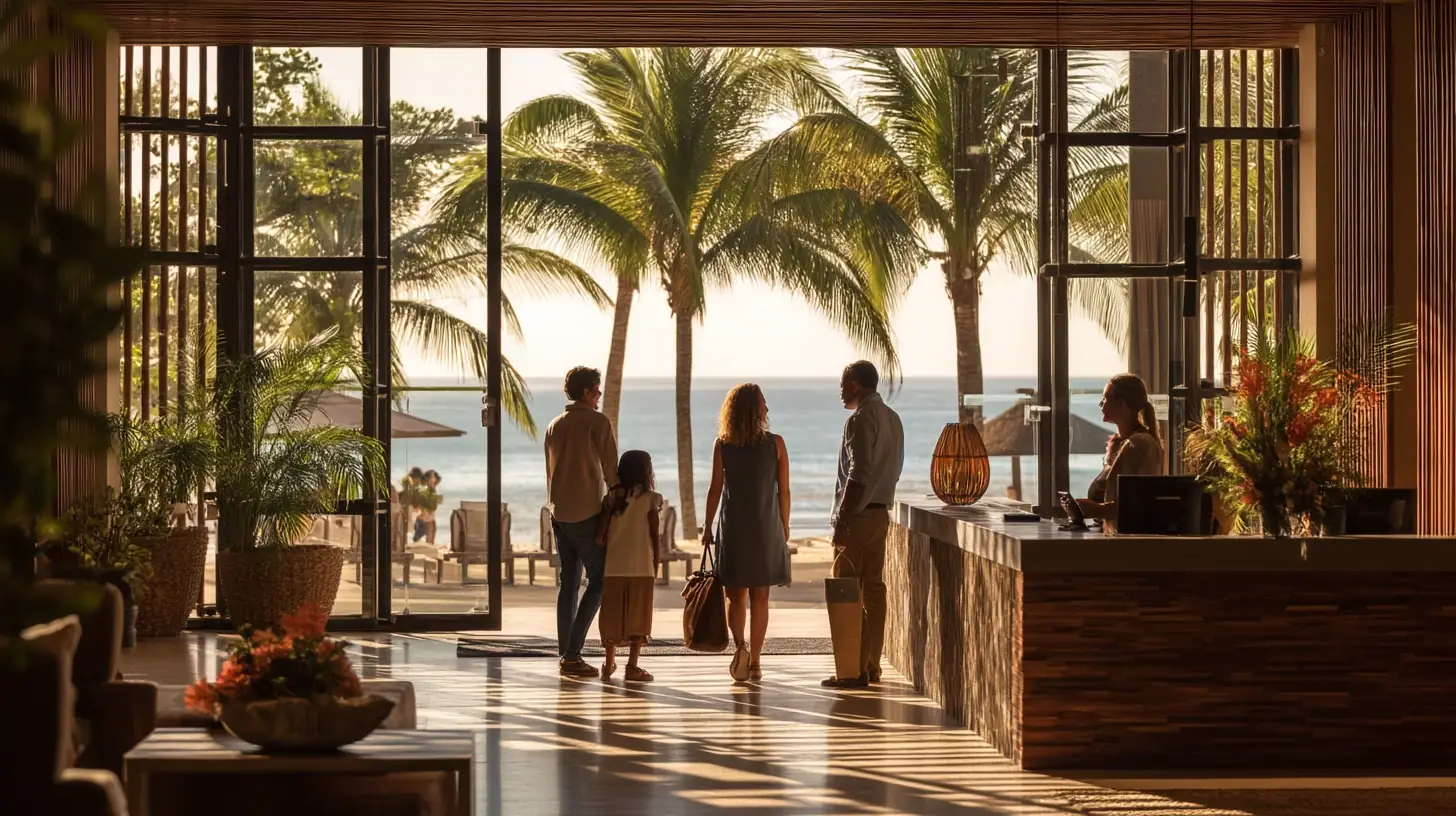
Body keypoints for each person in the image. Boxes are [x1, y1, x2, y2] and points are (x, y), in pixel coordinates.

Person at [701, 383, 792, 683]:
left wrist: (707, 526)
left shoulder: (723, 445)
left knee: (735, 595)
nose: (767, 408)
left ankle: (740, 647)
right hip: (766, 526)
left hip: (735, 526)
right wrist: (785, 525)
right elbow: (784, 492)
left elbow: (715, 490)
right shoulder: (776, 444)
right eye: (764, 403)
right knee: (761, 597)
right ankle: (755, 661)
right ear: (754, 410)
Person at [823, 361, 904, 690]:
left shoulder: (858, 421)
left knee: (847, 592)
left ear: (855, 384)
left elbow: (859, 473)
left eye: (843, 383)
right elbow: (891, 469)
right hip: (880, 513)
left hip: (857, 517)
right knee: (873, 591)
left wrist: (843, 518)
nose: (841, 390)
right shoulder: (893, 419)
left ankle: (851, 669)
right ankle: (871, 665)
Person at [545, 366, 620, 678]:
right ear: (588, 392)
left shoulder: (554, 425)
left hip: (558, 513)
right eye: (597, 390)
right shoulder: (597, 422)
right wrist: (618, 498)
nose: (600, 395)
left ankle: (567, 654)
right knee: (600, 581)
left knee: (569, 585)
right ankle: (572, 654)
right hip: (585, 514)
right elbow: (611, 470)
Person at [595, 450, 662, 683]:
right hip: (641, 566)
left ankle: (608, 664)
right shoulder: (651, 499)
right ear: (646, 471)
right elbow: (655, 534)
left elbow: (599, 538)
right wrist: (657, 561)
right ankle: (632, 667)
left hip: (614, 566)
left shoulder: (611, 500)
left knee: (612, 615)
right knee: (638, 617)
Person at [1076, 373, 1165, 532]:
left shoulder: (1142, 445)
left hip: (1130, 543)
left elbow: (1143, 501)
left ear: (1121, 403)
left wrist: (1098, 510)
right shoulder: (1118, 445)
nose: (1100, 404)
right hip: (1112, 536)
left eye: (1105, 399)